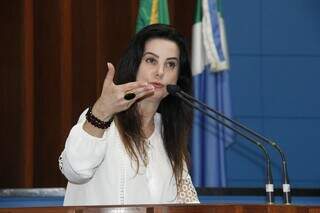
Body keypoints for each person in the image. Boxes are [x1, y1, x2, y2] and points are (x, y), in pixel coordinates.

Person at [59, 24, 199, 206]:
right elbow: (75, 171)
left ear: (178, 77)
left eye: (171, 64)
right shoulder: (100, 121)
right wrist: (101, 111)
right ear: (135, 65)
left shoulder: (168, 134)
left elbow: (187, 205)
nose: (160, 72)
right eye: (151, 60)